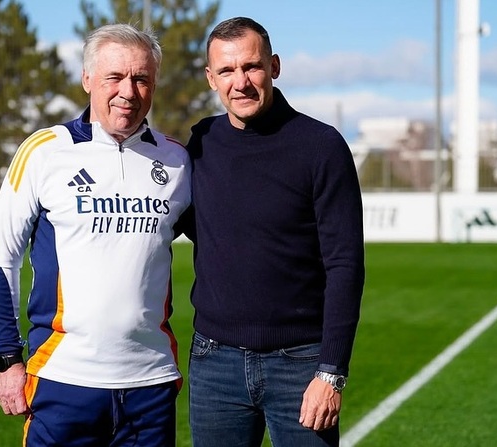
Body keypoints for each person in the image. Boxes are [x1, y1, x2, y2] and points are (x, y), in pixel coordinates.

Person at [0, 23, 191, 447]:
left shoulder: (177, 161)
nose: (128, 92)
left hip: (150, 387)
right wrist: (7, 358)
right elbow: (4, 259)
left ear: (154, 84)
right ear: (87, 79)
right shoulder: (44, 151)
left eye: (141, 78)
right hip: (63, 379)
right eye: (114, 77)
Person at [183, 17, 365, 447]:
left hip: (301, 364)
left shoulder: (321, 146)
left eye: (252, 67)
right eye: (227, 70)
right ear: (211, 78)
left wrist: (331, 372)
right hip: (214, 363)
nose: (240, 82)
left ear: (274, 66)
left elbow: (345, 265)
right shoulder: (202, 141)